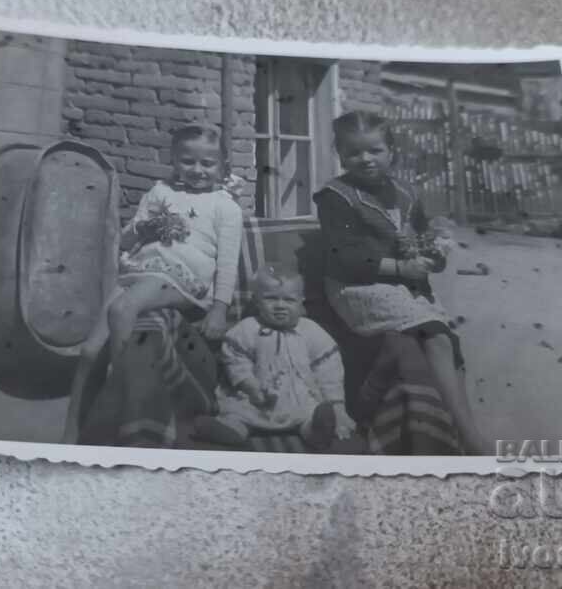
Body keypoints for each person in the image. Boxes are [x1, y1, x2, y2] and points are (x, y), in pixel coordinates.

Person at [312, 110, 487, 455]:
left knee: (447, 341)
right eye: (354, 153)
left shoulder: (406, 192)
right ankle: (472, 438)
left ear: (391, 151)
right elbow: (341, 258)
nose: (365, 159)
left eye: (374, 150)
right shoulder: (336, 197)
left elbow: (420, 236)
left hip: (403, 285)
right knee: (435, 335)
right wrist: (401, 268)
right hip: (357, 287)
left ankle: (458, 429)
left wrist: (434, 254)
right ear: (341, 155)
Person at [62, 124, 243, 444]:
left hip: (185, 276)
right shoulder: (160, 192)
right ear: (173, 161)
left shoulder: (225, 207)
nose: (197, 170)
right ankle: (73, 435)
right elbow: (127, 239)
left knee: (122, 309)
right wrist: (143, 228)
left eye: (208, 164)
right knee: (90, 352)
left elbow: (227, 263)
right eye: (188, 162)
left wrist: (219, 310)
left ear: (223, 166)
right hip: (142, 270)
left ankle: (119, 395)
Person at [193, 267, 356, 450]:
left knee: (311, 412)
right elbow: (235, 361)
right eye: (271, 298)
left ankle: (315, 432)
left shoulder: (312, 332)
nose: (280, 305)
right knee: (237, 413)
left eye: (289, 300)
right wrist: (251, 387)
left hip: (298, 398)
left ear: (301, 302)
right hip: (253, 398)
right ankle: (232, 430)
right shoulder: (246, 329)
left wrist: (338, 407)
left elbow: (329, 372)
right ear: (257, 301)